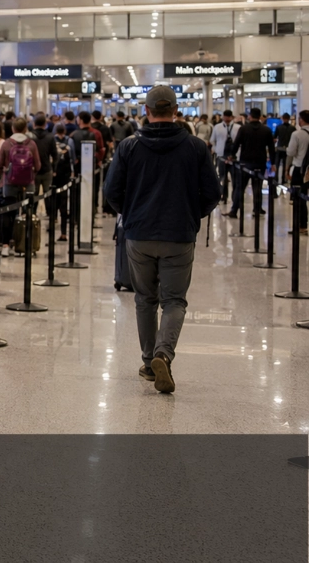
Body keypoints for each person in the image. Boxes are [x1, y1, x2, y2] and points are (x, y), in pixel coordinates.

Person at [104, 86, 221, 394]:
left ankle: (147, 361)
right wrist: (192, 216)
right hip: (178, 235)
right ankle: (163, 355)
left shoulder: (129, 147)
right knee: (174, 300)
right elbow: (213, 193)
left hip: (139, 234)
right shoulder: (195, 147)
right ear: (176, 111)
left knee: (144, 298)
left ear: (147, 111)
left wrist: (130, 214)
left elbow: (112, 193)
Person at [227, 107, 276, 217]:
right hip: (260, 162)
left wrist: (231, 155)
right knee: (257, 187)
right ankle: (257, 209)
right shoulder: (266, 130)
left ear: (250, 116)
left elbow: (236, 143)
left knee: (240, 187)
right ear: (260, 117)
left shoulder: (244, 129)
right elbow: (271, 148)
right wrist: (273, 163)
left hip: (245, 162)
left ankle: (234, 210)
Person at [0, 118, 42, 205]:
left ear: (12, 128)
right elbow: (38, 166)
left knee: (9, 208)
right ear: (25, 128)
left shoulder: (6, 143)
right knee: (28, 209)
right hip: (28, 182)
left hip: (9, 182)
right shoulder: (31, 144)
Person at [210, 110, 239, 204]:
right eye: (225, 116)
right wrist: (216, 150)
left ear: (232, 117)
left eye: (229, 116)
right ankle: (223, 195)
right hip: (221, 156)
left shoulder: (237, 127)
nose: (227, 118)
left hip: (234, 157)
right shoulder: (217, 127)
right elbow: (212, 140)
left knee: (234, 178)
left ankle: (234, 197)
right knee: (222, 177)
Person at [287, 110, 309, 233]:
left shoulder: (297, 134)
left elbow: (290, 152)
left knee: (299, 198)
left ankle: (301, 225)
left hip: (300, 169)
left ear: (301, 120)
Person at [275, 113, 296, 183]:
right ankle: (284, 179)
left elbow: (275, 137)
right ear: (289, 118)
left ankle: (276, 178)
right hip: (287, 148)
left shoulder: (278, 127)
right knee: (285, 165)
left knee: (277, 164)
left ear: (282, 118)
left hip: (279, 148)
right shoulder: (293, 128)